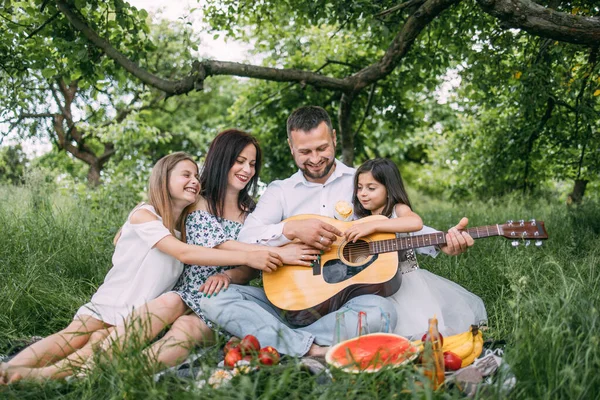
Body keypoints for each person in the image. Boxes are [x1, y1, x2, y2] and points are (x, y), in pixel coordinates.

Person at [200, 106, 474, 357]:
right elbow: (247, 238)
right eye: (305, 152)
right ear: (290, 146)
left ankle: (283, 342)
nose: (316, 159)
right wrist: (290, 229)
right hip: (288, 302)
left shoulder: (362, 181)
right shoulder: (279, 191)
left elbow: (391, 221)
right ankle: (310, 347)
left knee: (382, 312)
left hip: (346, 304)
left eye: (322, 148)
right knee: (214, 299)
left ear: (333, 137)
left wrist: (440, 242)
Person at [0, 152, 282, 383]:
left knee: (95, 344)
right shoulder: (145, 215)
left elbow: (182, 248)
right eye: (186, 175)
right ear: (163, 178)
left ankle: (44, 377)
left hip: (138, 312)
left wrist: (242, 265)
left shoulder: (180, 230)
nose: (194, 181)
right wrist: (250, 257)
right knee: (71, 337)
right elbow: (185, 254)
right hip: (114, 301)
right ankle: (11, 371)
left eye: (196, 176)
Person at [91, 129, 318, 370]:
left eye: (252, 164)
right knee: (166, 304)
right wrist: (273, 252)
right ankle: (97, 365)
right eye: (239, 161)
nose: (247, 170)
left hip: (223, 297)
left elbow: (251, 268)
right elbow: (218, 243)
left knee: (185, 330)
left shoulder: (253, 212)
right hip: (186, 290)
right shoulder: (198, 200)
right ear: (221, 159)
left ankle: (126, 375)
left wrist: (228, 275)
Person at [345, 158, 488, 338]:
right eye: (359, 188)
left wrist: (374, 226)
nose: (363, 194)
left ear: (389, 190)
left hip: (408, 286)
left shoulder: (398, 210)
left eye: (371, 188)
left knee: (421, 334)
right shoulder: (358, 219)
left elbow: (415, 222)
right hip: (374, 289)